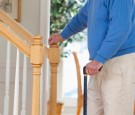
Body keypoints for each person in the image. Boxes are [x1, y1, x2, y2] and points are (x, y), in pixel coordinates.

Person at [48, 0, 135, 115]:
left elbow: (120, 29)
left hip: (118, 62)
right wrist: (62, 36)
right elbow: (82, 17)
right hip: (99, 64)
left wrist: (99, 59)